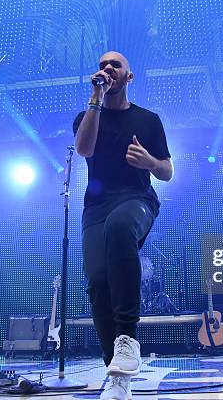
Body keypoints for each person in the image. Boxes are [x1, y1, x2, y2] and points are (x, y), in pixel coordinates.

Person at [73, 51, 173, 400]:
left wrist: (149, 161)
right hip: (96, 207)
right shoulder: (88, 115)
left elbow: (167, 171)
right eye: (102, 65)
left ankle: (128, 338)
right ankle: (117, 379)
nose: (107, 69)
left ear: (129, 77)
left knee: (119, 228)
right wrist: (95, 100)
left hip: (137, 199)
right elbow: (84, 149)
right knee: (98, 283)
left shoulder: (148, 120)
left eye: (114, 65)